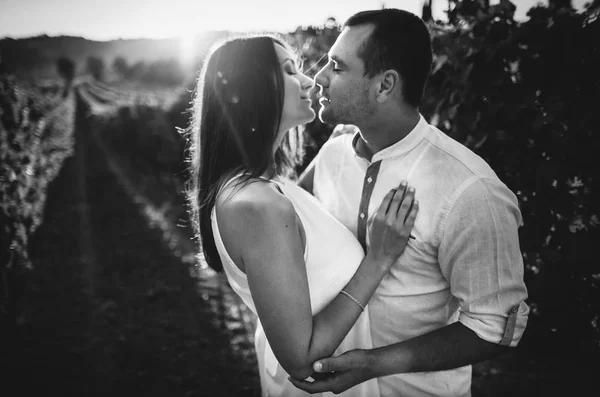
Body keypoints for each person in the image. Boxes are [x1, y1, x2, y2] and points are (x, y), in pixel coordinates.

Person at [291, 8, 530, 397]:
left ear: (384, 86)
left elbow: (494, 327)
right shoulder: (330, 157)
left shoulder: (470, 189)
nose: (318, 78)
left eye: (336, 66)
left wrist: (375, 364)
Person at [186, 34, 419, 397]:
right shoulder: (261, 208)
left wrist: (345, 143)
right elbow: (302, 358)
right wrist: (379, 259)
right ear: (245, 90)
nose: (310, 79)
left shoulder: (264, 186)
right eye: (289, 70)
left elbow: (303, 206)